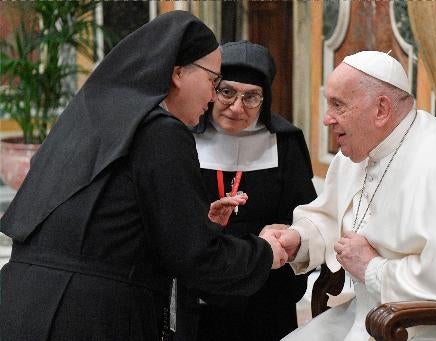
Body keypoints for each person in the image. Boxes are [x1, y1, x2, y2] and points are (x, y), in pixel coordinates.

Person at [0, 11, 287, 340]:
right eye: (213, 81)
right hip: (90, 316)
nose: (212, 96)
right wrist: (263, 254)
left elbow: (110, 228)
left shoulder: (86, 121)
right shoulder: (160, 131)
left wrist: (195, 223)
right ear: (178, 72)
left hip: (20, 305)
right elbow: (192, 257)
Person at [266, 51, 436, 340]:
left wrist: (373, 268)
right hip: (367, 316)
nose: (326, 119)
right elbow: (337, 217)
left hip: (426, 328)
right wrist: (300, 239)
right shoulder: (357, 152)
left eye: (338, 105)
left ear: (381, 109)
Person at [174, 40, 317, 341]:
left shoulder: (286, 143)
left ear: (265, 100)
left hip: (266, 292)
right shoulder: (181, 138)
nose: (237, 107)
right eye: (227, 92)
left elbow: (304, 215)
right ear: (212, 90)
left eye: (251, 97)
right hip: (202, 290)